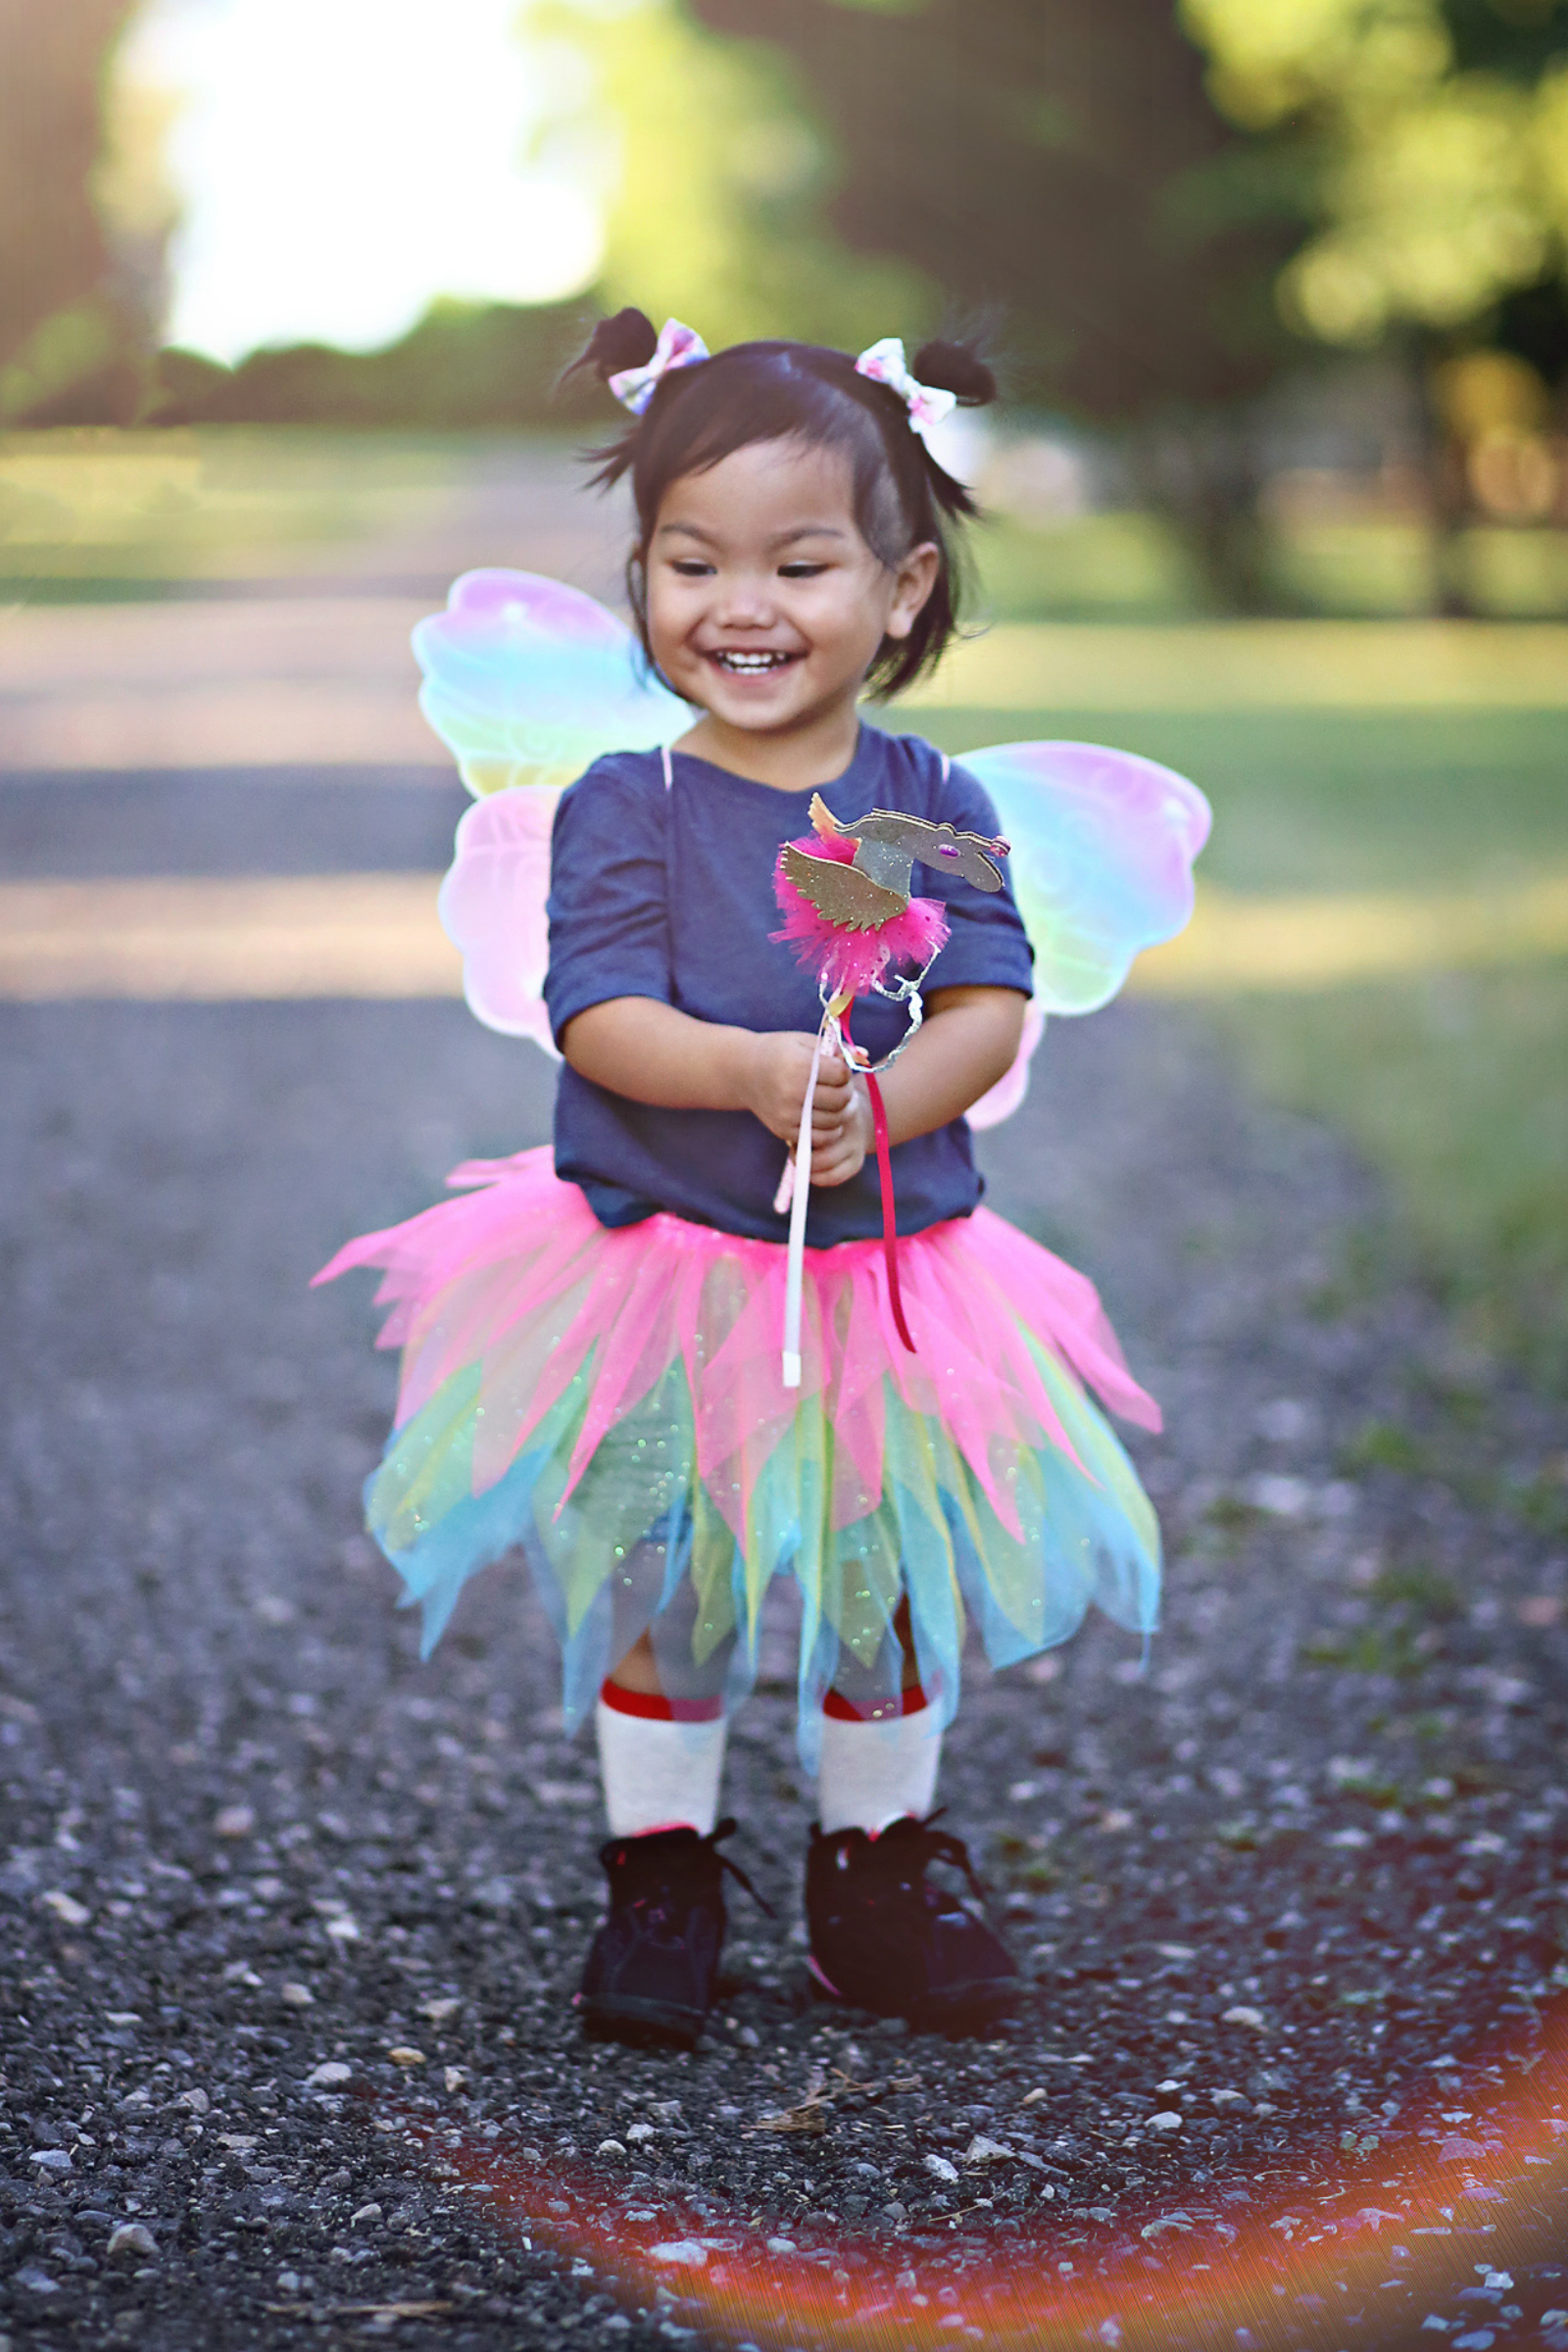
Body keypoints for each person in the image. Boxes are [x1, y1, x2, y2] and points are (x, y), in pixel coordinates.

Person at [318, 310, 1167, 2048]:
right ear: (642, 579)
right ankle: (662, 1863)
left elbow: (991, 999)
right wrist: (755, 1073)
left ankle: (874, 1864)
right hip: (664, 1270)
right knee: (674, 1577)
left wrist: (884, 1094)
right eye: (691, 560)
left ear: (905, 587)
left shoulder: (925, 800)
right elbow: (599, 1010)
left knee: (878, 1579)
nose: (743, 604)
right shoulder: (627, 804)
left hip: (885, 1276)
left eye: (800, 560)